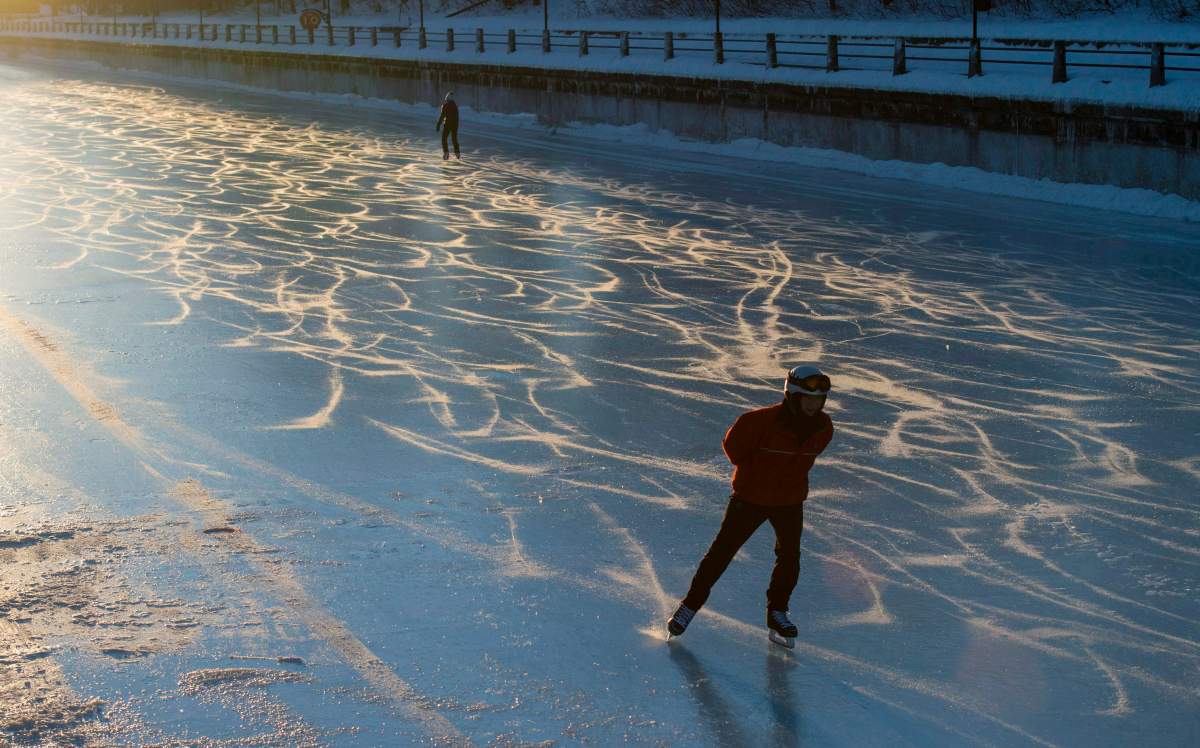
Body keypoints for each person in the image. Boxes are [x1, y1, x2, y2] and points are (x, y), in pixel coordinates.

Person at [668, 365, 835, 648]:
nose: (813, 405)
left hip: (790, 501)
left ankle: (778, 613)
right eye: (807, 399)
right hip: (750, 499)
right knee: (721, 553)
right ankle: (689, 607)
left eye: (818, 400)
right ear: (792, 397)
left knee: (790, 557)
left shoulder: (823, 428)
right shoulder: (758, 422)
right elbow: (733, 449)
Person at [435, 91, 460, 160]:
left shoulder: (445, 105)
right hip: (455, 124)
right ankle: (457, 153)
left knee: (444, 138)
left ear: (447, 98)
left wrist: (438, 124)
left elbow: (442, 116)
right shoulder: (455, 106)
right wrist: (456, 125)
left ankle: (446, 153)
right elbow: (457, 117)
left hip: (448, 124)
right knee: (454, 139)